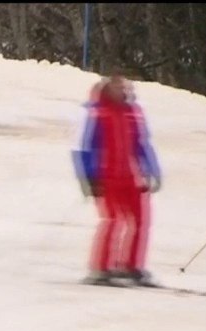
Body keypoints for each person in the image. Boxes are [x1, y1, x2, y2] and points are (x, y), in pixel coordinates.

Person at [72, 74, 162, 286]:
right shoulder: (96, 113)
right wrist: (88, 178)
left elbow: (142, 144)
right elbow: (83, 149)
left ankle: (130, 265)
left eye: (126, 88)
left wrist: (151, 170)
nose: (124, 92)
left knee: (140, 220)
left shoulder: (133, 112)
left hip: (131, 177)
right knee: (112, 220)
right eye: (118, 87)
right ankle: (100, 268)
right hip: (106, 177)